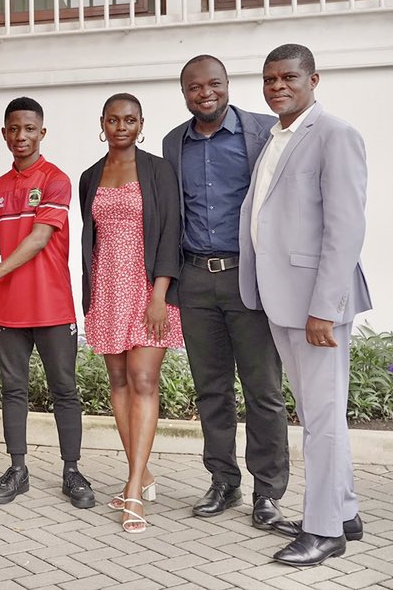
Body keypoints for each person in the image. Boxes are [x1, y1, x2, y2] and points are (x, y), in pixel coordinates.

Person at [240, 43, 370, 567]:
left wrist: (324, 309)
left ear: (313, 80)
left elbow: (345, 229)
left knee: (321, 420)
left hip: (315, 306)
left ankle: (324, 531)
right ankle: (344, 512)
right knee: (319, 414)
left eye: (289, 77)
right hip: (282, 300)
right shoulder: (276, 137)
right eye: (269, 79)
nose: (277, 86)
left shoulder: (335, 134)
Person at [162, 55, 291, 528]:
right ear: (184, 93)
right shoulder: (174, 142)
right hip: (196, 279)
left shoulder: (264, 132)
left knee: (263, 390)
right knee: (210, 390)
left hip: (249, 278)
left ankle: (268, 492)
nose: (205, 93)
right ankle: (223, 480)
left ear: (228, 84)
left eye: (213, 84)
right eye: (194, 87)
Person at [0, 97, 96, 511]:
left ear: (42, 133)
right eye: (14, 129)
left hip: (52, 306)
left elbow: (37, 239)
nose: (21, 136)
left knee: (64, 390)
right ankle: (18, 469)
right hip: (11, 310)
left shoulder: (55, 179)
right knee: (13, 391)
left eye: (29, 129)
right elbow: (1, 241)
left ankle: (72, 471)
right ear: (4, 134)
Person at [78, 93, 183, 532]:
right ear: (102, 123)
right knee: (118, 382)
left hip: (147, 290)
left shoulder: (159, 170)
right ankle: (141, 474)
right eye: (114, 120)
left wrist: (159, 296)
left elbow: (171, 231)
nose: (121, 127)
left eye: (130, 120)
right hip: (107, 290)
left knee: (143, 380)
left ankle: (134, 488)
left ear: (141, 124)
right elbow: (91, 239)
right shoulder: (89, 176)